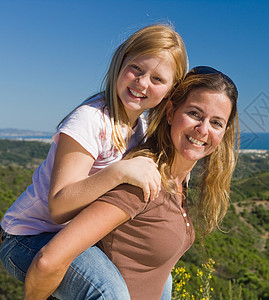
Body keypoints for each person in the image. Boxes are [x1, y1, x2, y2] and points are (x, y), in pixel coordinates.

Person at [0, 24, 188, 299]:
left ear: (170, 91)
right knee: (110, 293)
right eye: (136, 68)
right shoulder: (90, 119)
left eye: (158, 79)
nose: (142, 82)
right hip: (28, 237)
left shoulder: (139, 127)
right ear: (120, 62)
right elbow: (59, 206)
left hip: (75, 236)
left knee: (161, 282)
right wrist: (118, 172)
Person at [23, 66, 239, 300]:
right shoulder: (140, 182)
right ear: (170, 112)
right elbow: (49, 261)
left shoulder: (179, 180)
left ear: (224, 132)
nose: (203, 129)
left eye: (216, 123)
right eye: (195, 114)